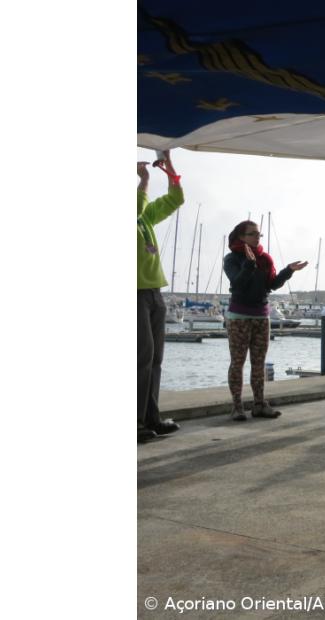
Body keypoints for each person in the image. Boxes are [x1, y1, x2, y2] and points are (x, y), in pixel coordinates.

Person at [223, 221, 309, 421]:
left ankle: (259, 404)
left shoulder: (265, 259)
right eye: (252, 234)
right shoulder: (232, 259)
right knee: (237, 362)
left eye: (258, 234)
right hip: (239, 317)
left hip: (262, 316)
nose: (257, 237)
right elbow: (237, 283)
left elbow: (272, 284)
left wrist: (288, 270)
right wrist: (249, 264)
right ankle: (237, 407)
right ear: (241, 237)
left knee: (258, 363)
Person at [138, 151, 185, 443]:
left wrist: (169, 168)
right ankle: (134, 422)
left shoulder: (144, 218)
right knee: (141, 357)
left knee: (154, 359)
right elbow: (136, 204)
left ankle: (150, 417)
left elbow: (175, 199)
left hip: (154, 292)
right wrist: (144, 180)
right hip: (134, 293)